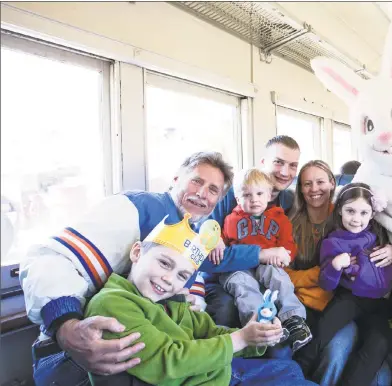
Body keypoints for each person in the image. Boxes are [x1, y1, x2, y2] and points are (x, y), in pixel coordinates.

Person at [21, 152, 279, 384]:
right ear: (176, 179)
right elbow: (50, 260)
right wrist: (66, 327)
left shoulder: (192, 235)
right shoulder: (136, 208)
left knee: (283, 370)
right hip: (76, 359)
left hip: (157, 358)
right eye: (196, 181)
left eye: (213, 190)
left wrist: (253, 335)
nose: (202, 193)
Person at [84, 214, 314, 386]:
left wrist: (256, 337)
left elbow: (212, 334)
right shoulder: (113, 303)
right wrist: (241, 338)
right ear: (137, 253)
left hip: (213, 373)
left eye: (182, 276)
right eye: (164, 263)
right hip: (193, 378)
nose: (168, 279)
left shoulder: (173, 301)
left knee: (289, 370)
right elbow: (169, 361)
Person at [286, 160, 392, 386]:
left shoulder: (379, 234)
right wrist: (336, 265)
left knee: (378, 344)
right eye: (350, 211)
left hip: (378, 305)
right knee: (321, 334)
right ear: (340, 211)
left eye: (363, 212)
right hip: (348, 299)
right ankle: (295, 376)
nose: (356, 218)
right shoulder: (333, 241)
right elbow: (327, 283)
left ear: (372, 213)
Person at [205, 135, 301, 329]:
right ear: (264, 162)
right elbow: (210, 250)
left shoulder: (288, 201)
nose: (285, 172)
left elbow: (286, 243)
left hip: (267, 271)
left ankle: (292, 327)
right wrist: (212, 234)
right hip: (227, 274)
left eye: (292, 165)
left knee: (279, 291)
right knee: (226, 308)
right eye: (278, 162)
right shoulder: (233, 194)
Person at [215, 168, 312, 352]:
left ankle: (293, 320)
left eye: (259, 193)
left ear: (268, 196)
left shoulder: (279, 218)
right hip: (238, 269)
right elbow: (221, 245)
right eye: (247, 195)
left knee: (278, 277)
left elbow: (288, 244)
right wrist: (217, 241)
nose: (254, 199)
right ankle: (260, 325)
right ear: (237, 199)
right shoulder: (230, 220)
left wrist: (286, 255)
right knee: (244, 287)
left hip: (268, 264)